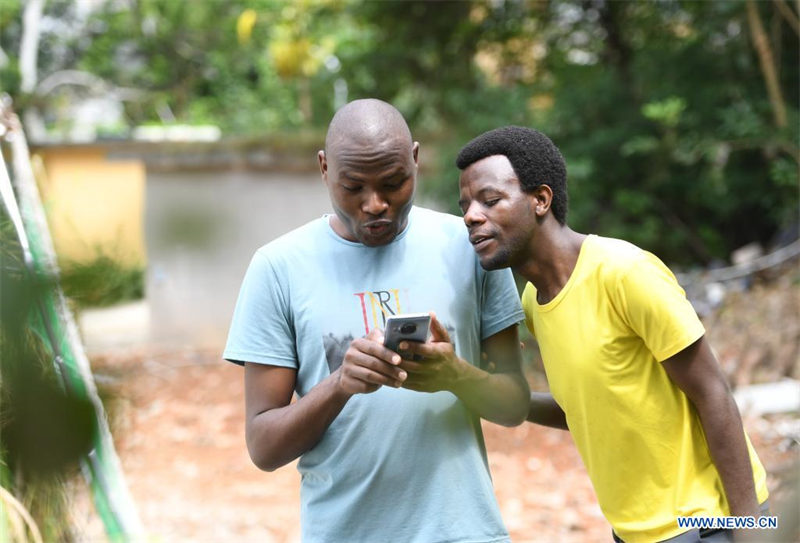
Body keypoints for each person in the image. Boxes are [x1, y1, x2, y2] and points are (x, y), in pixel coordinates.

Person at [223, 100, 530, 543]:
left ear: (415, 160)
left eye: (393, 183)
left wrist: (455, 375)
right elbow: (264, 447)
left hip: (465, 532)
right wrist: (340, 384)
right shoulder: (278, 268)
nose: (375, 205)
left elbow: (514, 405)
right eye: (353, 186)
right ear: (324, 168)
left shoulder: (470, 246)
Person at [453, 126, 769, 543]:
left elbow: (713, 393)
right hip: (632, 534)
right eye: (466, 206)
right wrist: (479, 386)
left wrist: (750, 528)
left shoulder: (624, 273)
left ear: (541, 199)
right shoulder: (534, 302)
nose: (471, 216)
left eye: (490, 200)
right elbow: (584, 408)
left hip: (707, 524)